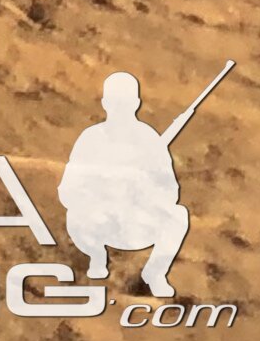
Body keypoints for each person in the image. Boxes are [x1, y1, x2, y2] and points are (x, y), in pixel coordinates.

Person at [62, 71, 197, 298]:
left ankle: (154, 273)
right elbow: (68, 190)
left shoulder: (149, 139)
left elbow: (170, 191)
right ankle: (96, 256)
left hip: (135, 223)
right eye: (115, 102)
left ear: (136, 103)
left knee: (178, 215)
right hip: (98, 222)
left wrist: (144, 188)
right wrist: (101, 190)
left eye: (124, 102)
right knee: (77, 215)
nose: (119, 108)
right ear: (105, 103)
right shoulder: (91, 138)